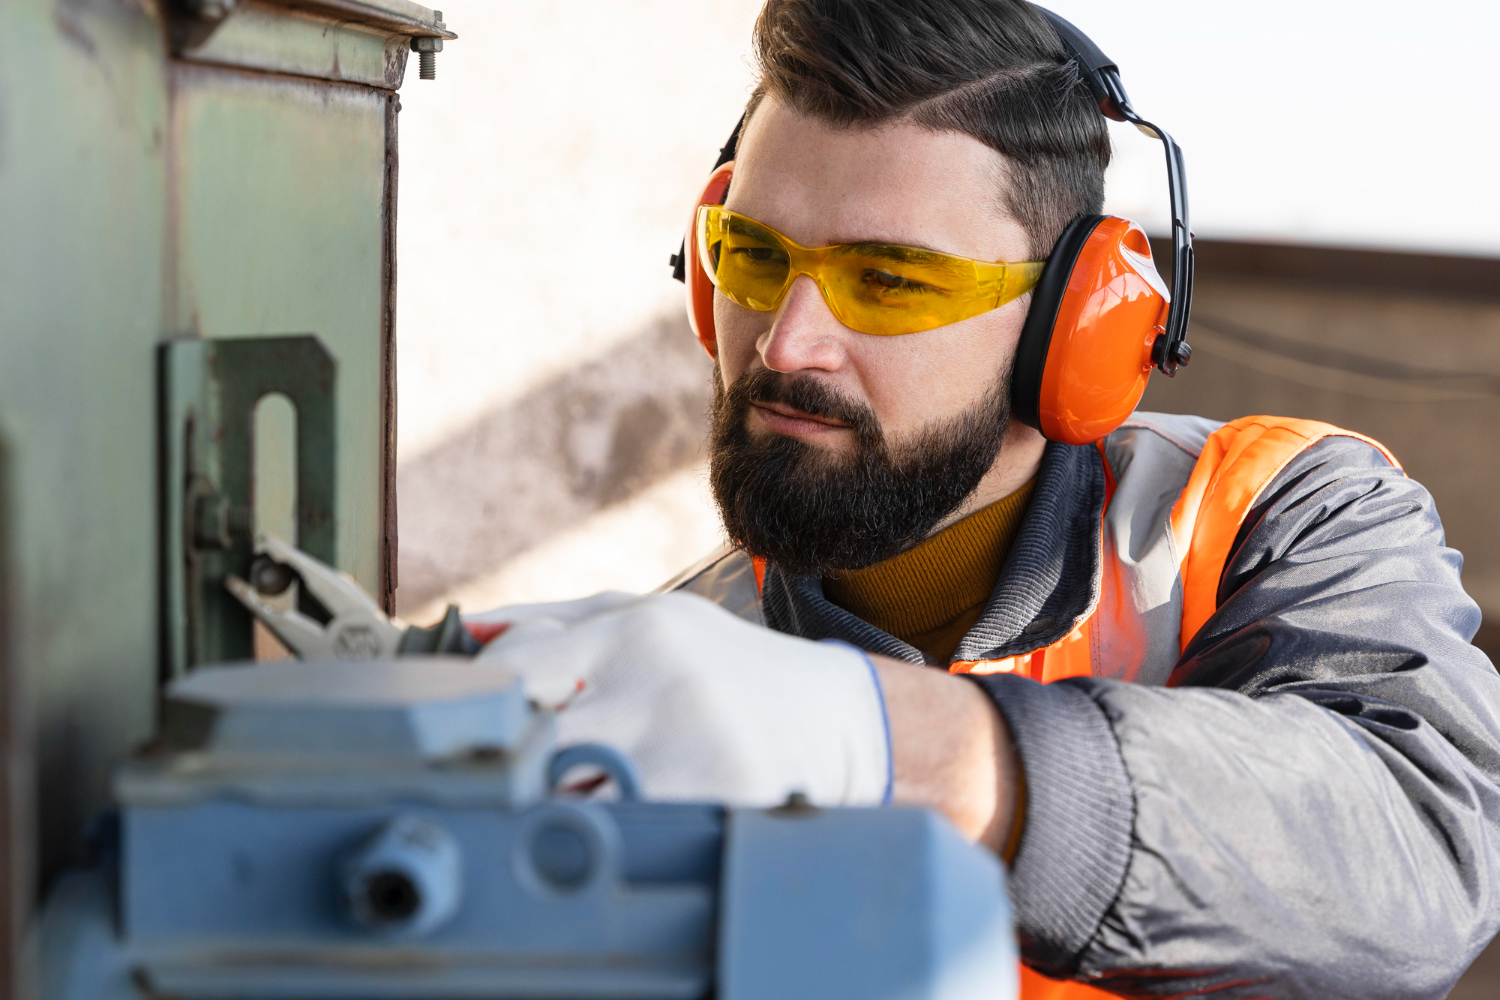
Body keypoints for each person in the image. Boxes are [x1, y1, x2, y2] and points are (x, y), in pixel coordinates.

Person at [476, 1, 1500, 996]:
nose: (785, 343)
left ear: (1075, 328)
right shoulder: (689, 666)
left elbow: (1426, 849)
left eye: (889, 279)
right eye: (753, 256)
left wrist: (899, 744)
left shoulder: (1274, 514)